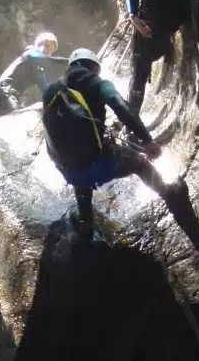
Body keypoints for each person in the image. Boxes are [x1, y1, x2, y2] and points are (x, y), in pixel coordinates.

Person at [42, 48, 186, 238]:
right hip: (97, 166)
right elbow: (119, 105)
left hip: (67, 170)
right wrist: (147, 140)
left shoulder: (51, 91)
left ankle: (85, 220)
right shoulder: (99, 84)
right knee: (140, 163)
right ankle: (168, 193)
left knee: (77, 157)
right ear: (95, 68)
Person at [0, 32, 69, 115]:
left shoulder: (39, 69)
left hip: (11, 97)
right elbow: (43, 58)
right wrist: (68, 61)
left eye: (52, 50)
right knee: (17, 116)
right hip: (3, 92)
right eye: (50, 48)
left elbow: (46, 90)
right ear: (42, 45)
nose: (50, 52)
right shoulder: (30, 53)